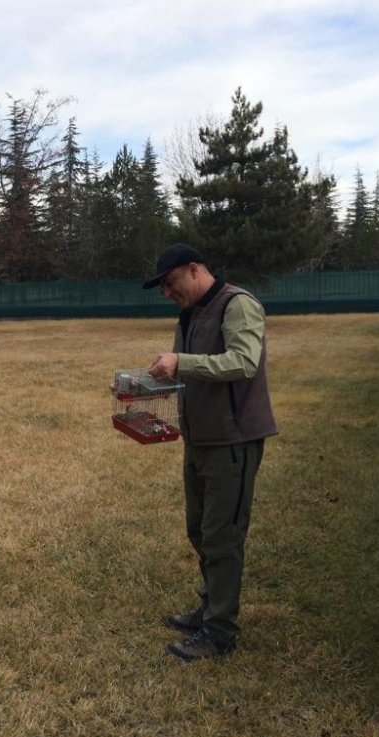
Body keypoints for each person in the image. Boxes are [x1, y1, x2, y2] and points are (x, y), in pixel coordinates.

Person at [143, 243, 277, 661]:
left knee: (223, 536)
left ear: (195, 269)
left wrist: (180, 361)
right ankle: (210, 606)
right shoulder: (191, 314)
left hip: (232, 441)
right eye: (163, 286)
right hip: (200, 440)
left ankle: (220, 632)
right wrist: (135, 385)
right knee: (200, 530)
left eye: (171, 282)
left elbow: (242, 362)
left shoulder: (237, 305)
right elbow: (185, 375)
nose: (167, 291)